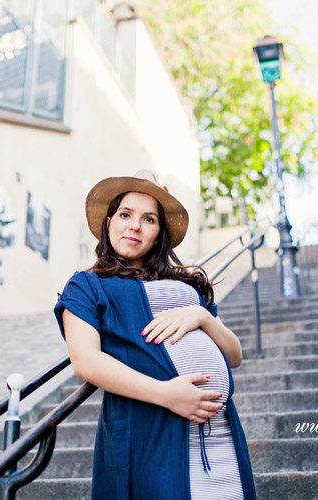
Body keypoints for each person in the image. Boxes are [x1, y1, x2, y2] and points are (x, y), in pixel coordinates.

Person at [54, 170, 256, 500]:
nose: (135, 225)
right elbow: (85, 361)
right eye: (125, 215)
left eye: (149, 219)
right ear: (109, 223)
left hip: (219, 433)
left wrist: (202, 316)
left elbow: (234, 356)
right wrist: (166, 393)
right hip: (148, 431)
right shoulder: (87, 285)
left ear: (159, 233)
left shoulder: (188, 286)